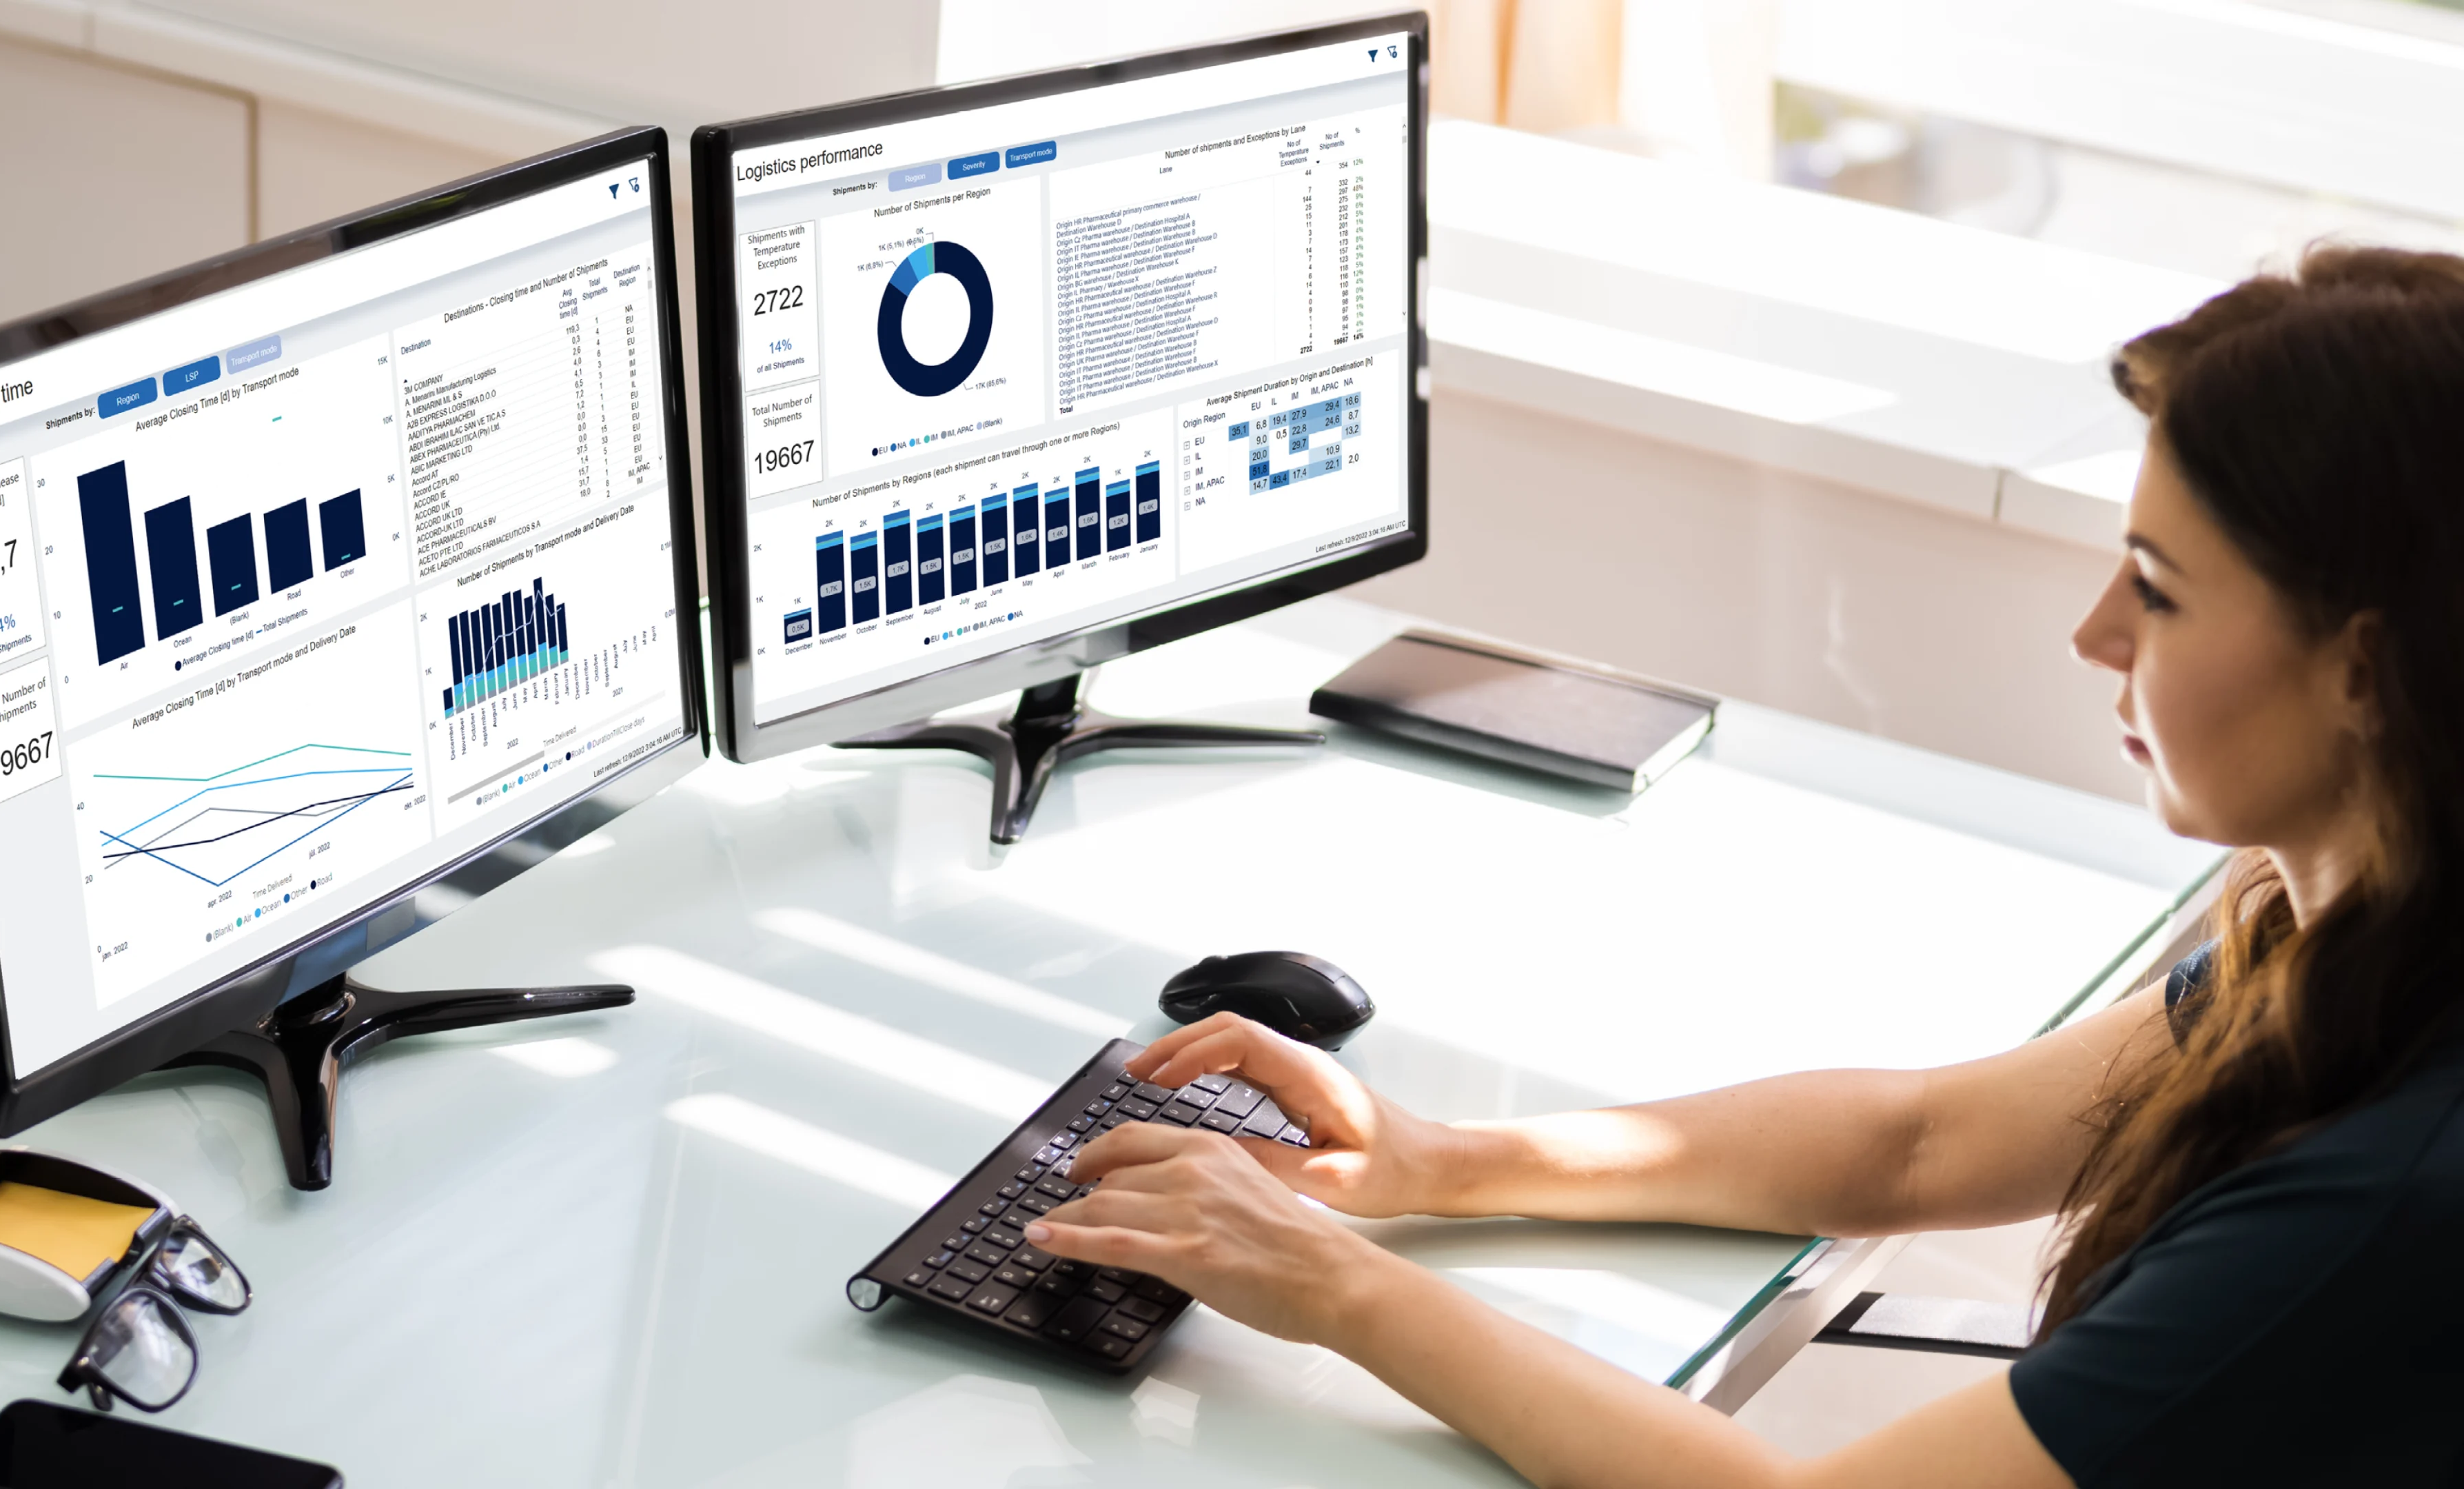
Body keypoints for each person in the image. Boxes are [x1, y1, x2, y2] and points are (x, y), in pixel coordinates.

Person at [1026, 246, 2464, 1488]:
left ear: (2367, 671)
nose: (2094, 634)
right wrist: (1440, 1162)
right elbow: (1923, 1143)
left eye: (2157, 586)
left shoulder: (2383, 1204)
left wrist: (1334, 1287)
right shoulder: (2353, 937)